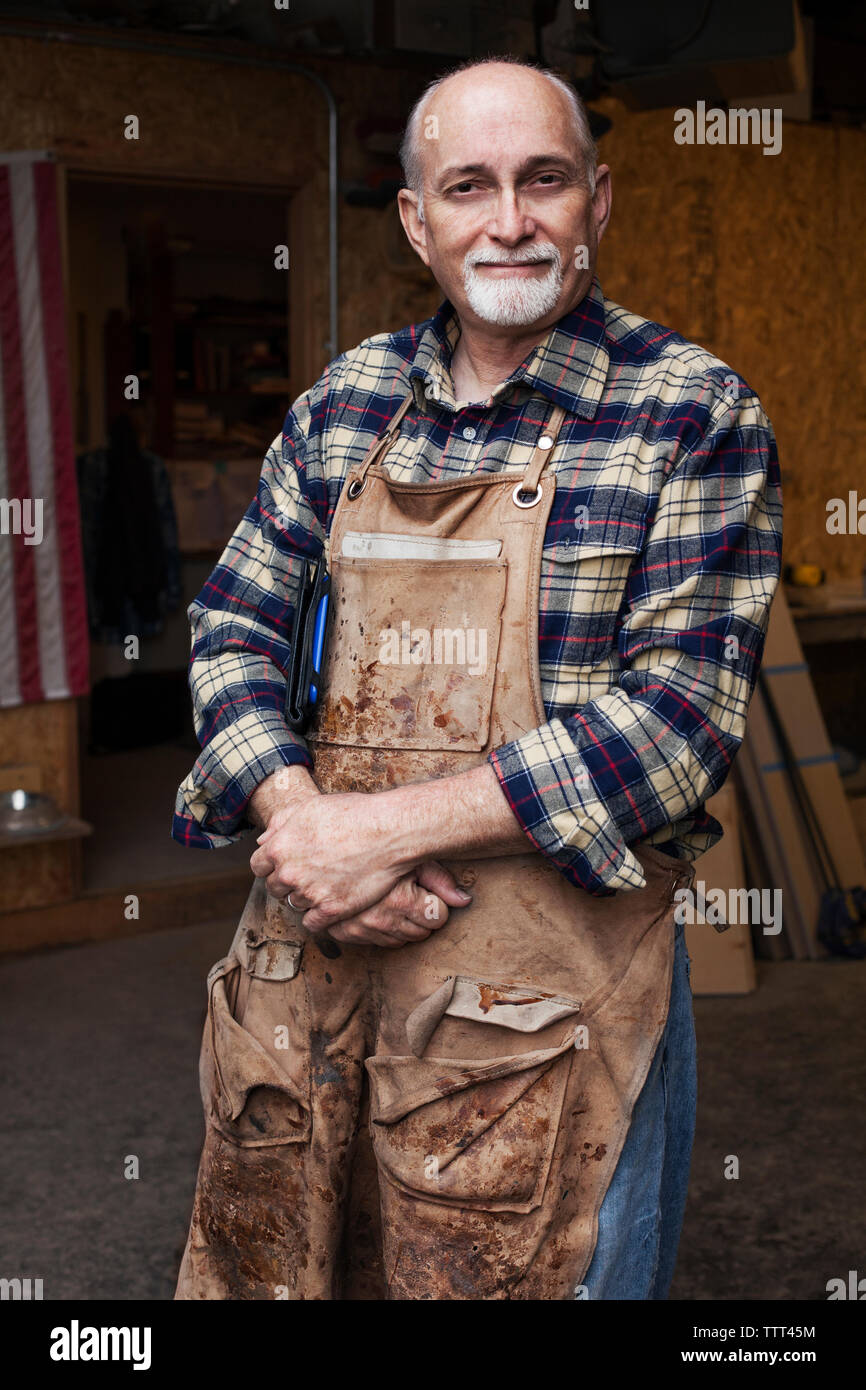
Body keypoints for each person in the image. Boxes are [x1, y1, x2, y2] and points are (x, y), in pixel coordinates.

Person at [173, 56, 782, 1301]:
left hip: (547, 1023)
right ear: (417, 220)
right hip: (314, 972)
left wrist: (379, 834)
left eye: (541, 181)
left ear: (596, 202)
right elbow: (229, 629)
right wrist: (306, 832)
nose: (508, 220)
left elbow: (675, 721)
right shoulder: (342, 406)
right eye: (469, 186)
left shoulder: (689, 412)